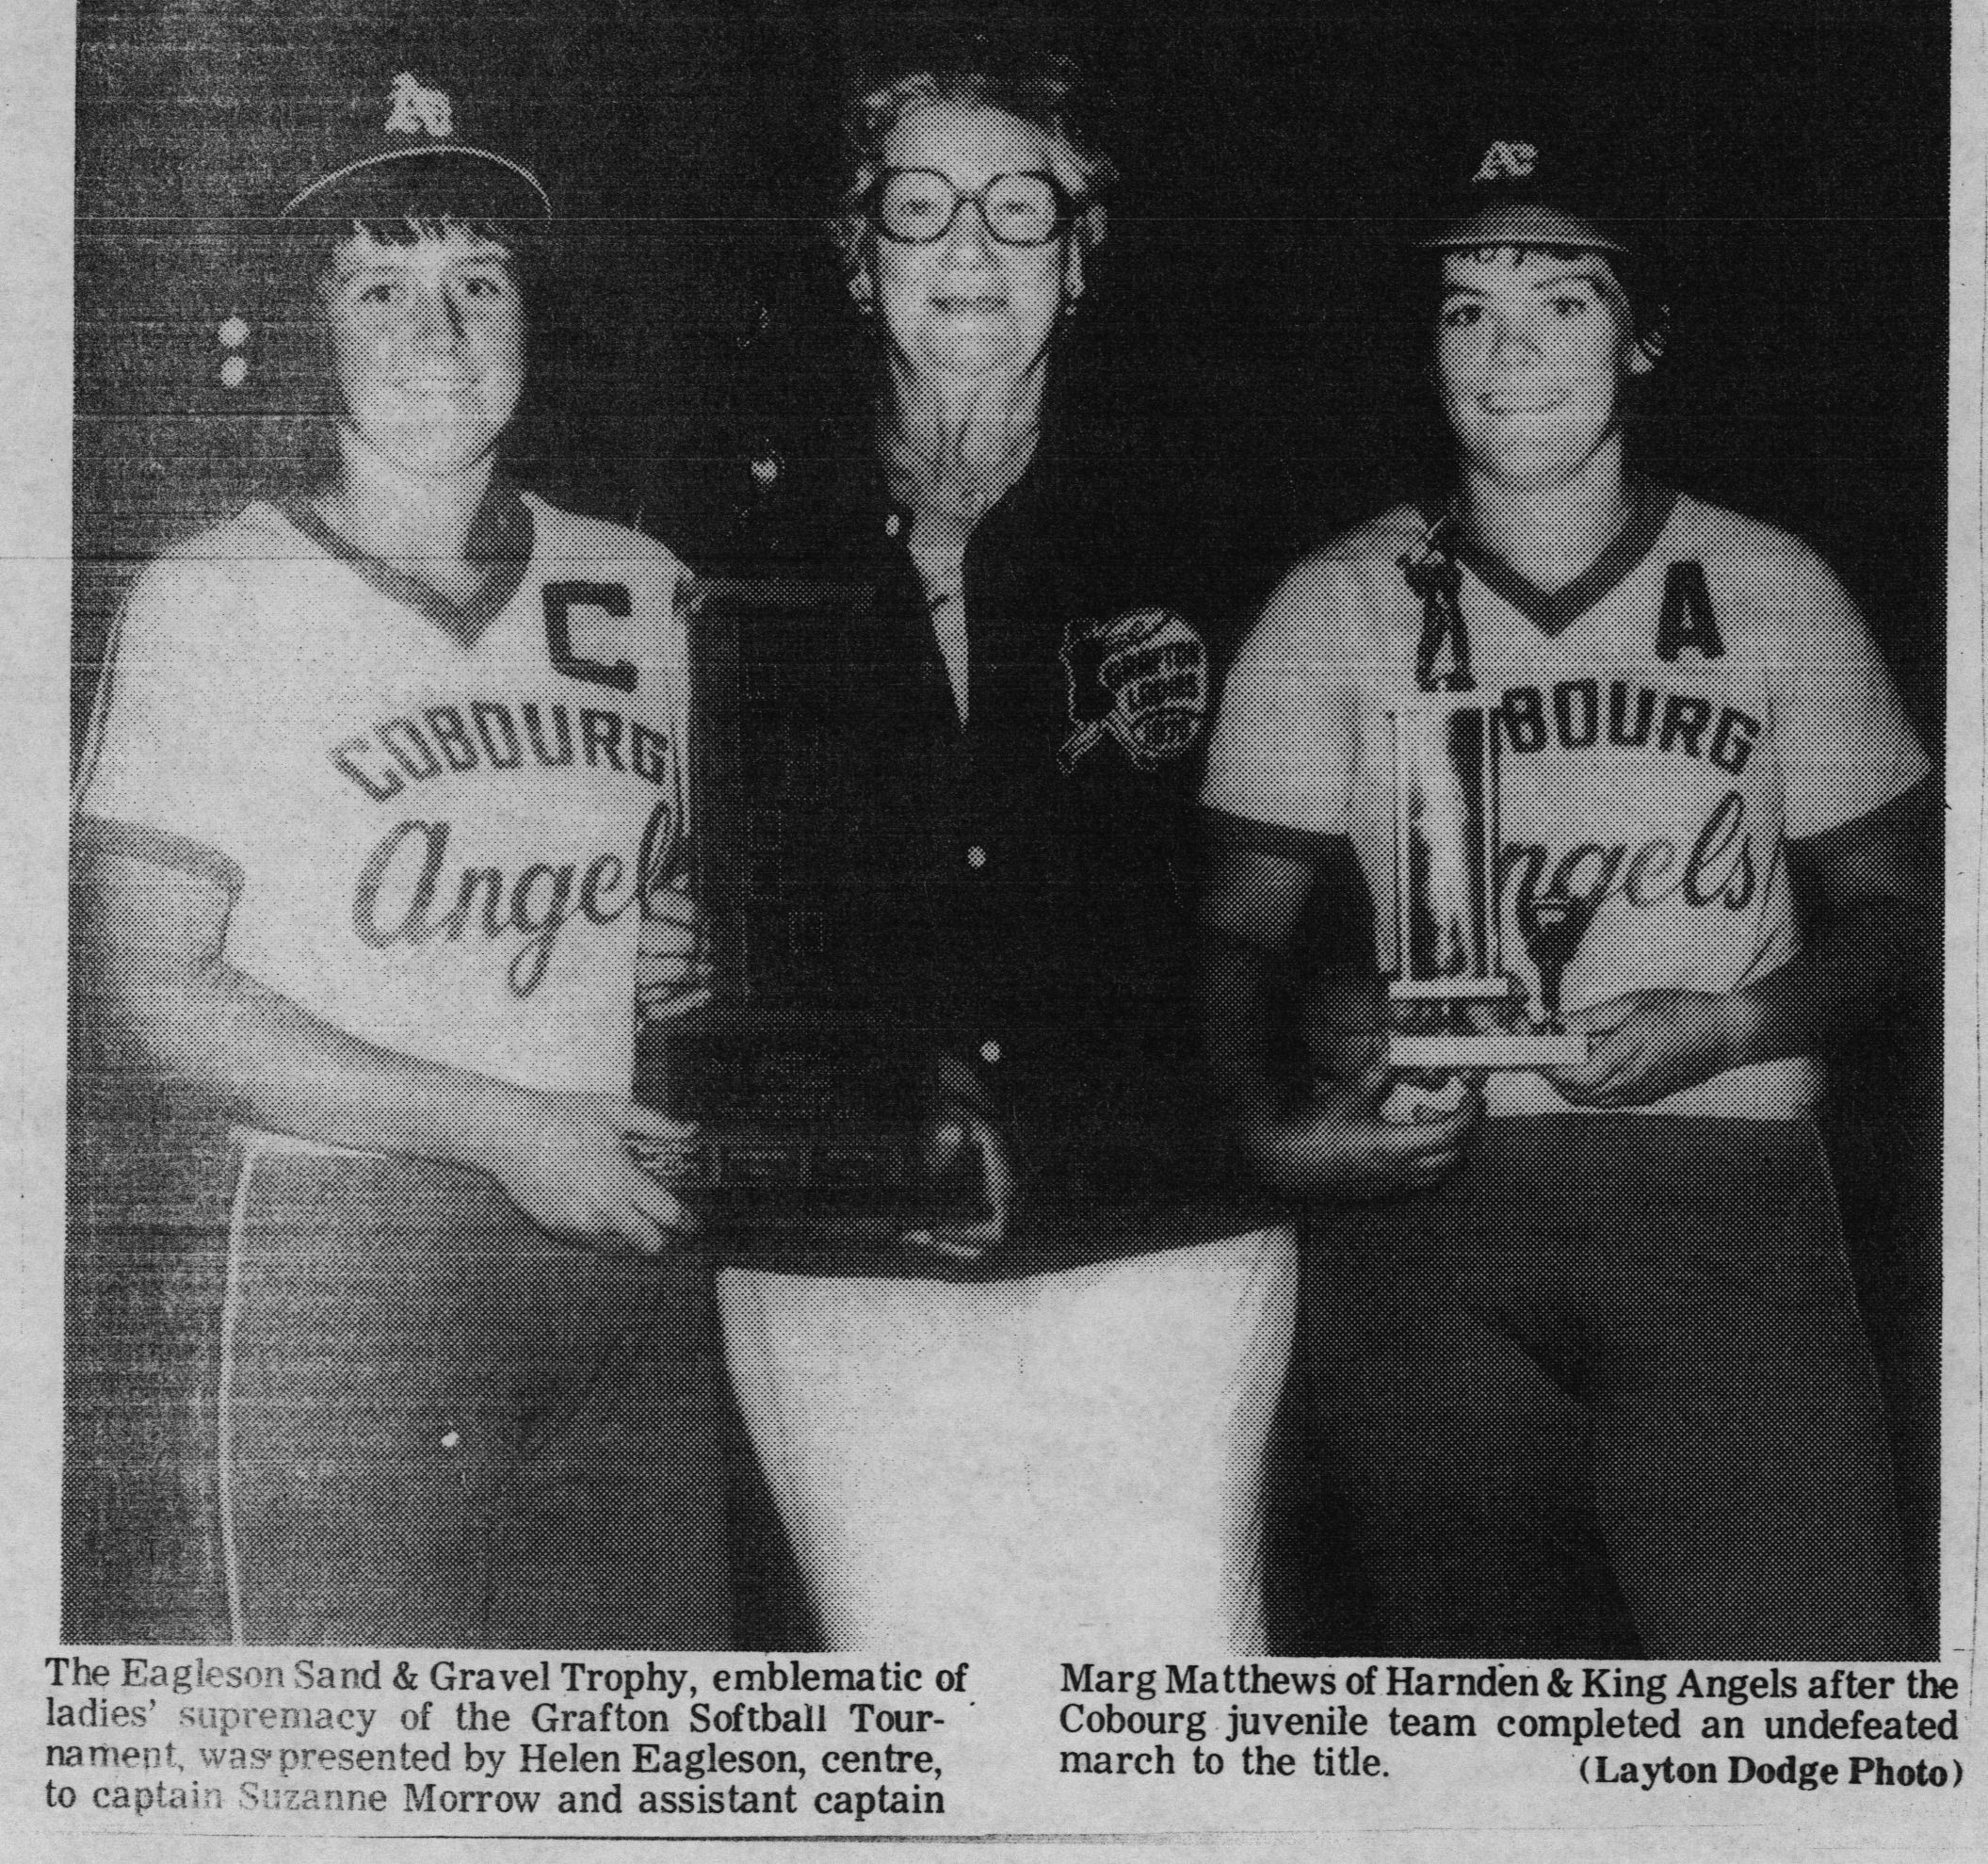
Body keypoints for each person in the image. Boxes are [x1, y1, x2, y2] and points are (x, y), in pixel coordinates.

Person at [1198, 133, 1931, 1658]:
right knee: (1481, 1730)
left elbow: (1908, 914)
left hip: (1722, 1203)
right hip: (1432, 1213)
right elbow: (1229, 932)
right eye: (1466, 310)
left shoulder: (1773, 582)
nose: (1509, 347)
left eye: (1563, 301)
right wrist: (1289, 1098)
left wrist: (1732, 1018)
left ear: (1645, 334)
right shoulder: (1337, 598)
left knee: (1798, 1695)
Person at [67, 71, 729, 1646]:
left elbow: (638, 913)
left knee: (638, 1766)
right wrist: (499, 1124)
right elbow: (156, 997)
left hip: (619, 1240)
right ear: (315, 333)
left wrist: (665, 955)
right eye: (381, 286)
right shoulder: (211, 594)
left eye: (476, 281)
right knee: (363, 1761)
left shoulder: (638, 584)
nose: (439, 332)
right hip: (350, 1257)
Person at [710, 40, 1297, 1650]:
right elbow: (695, 913)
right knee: (919, 1714)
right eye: (920, 208)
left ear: (1080, 255)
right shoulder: (724, 534)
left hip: (1158, 1222)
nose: (968, 248)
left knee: (1180, 1705)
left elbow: (1300, 887)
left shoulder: (1216, 521)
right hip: (845, 1243)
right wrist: (859, 1086)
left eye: (1018, 208)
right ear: (859, 256)